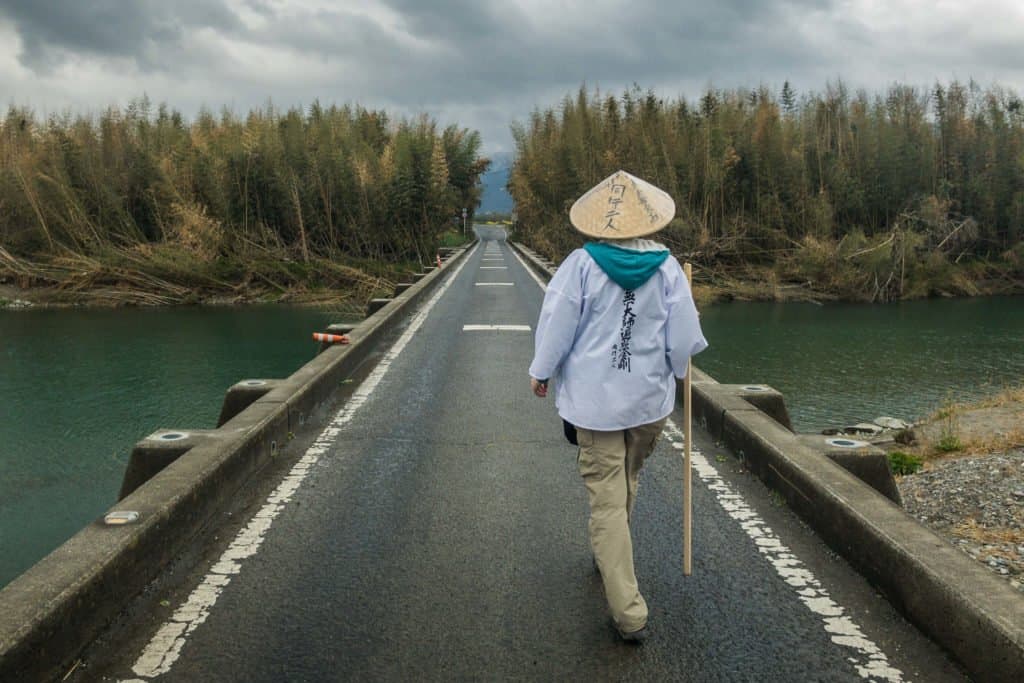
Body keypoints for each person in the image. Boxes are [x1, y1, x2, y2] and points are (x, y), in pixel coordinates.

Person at [528, 170, 707, 642]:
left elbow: (557, 323)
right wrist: (677, 371)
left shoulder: (581, 265)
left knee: (607, 498)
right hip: (648, 403)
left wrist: (542, 370)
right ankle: (611, 555)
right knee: (628, 478)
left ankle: (628, 613)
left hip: (594, 405)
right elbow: (683, 340)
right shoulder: (668, 268)